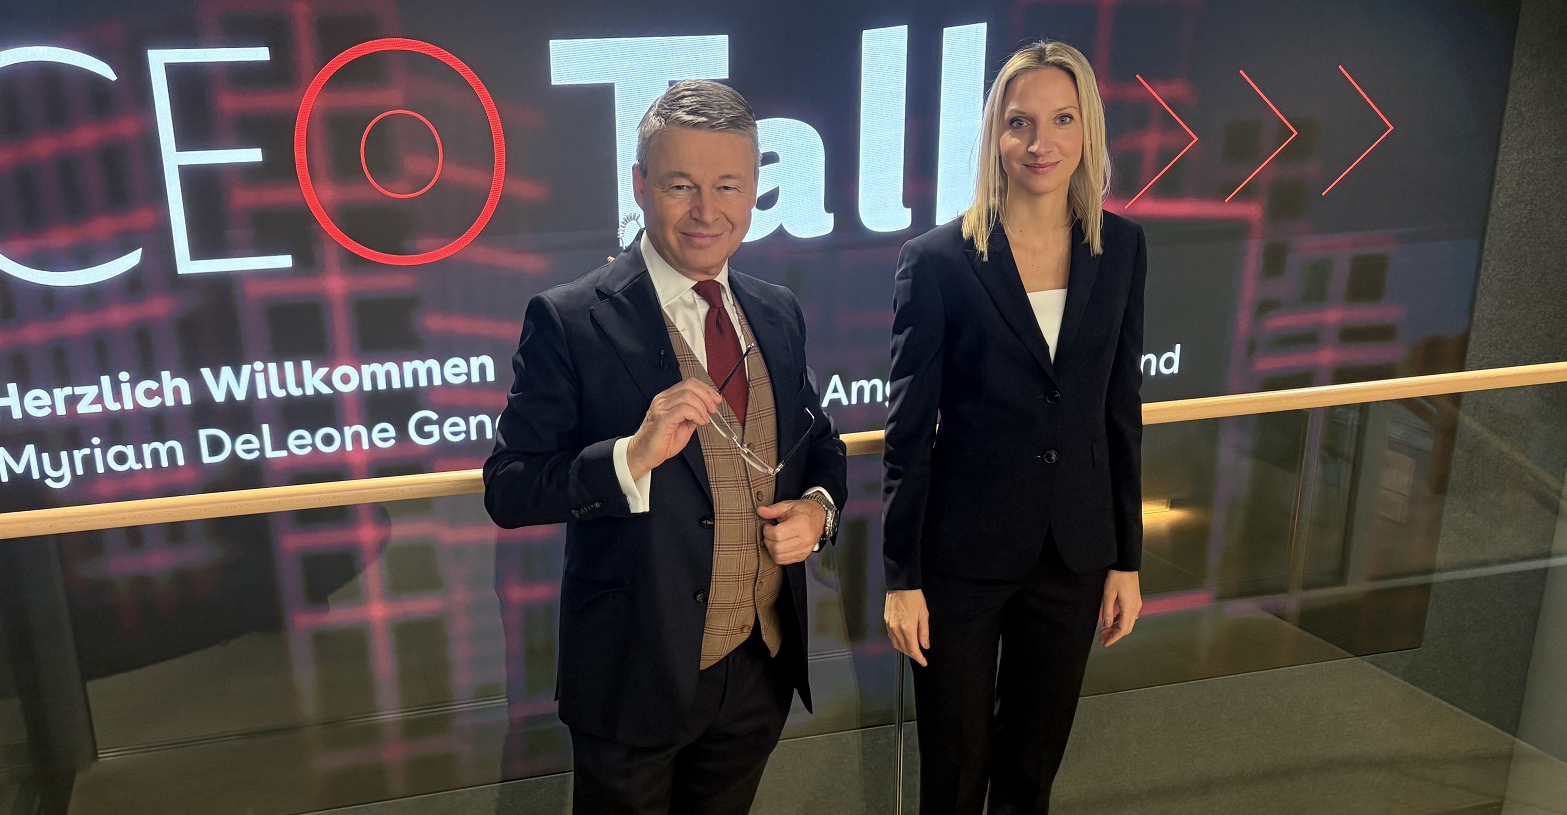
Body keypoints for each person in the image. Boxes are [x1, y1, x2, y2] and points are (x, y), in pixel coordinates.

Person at [484, 79, 848, 815]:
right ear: (640, 186)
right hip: (632, 679)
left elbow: (820, 447)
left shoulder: (777, 312)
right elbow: (510, 485)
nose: (707, 211)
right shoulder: (569, 320)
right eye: (681, 185)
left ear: (754, 192)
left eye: (728, 186)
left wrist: (818, 511)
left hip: (758, 669)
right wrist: (629, 456)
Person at [881, 40, 1147, 813]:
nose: (1041, 142)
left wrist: (1126, 559)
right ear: (995, 135)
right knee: (956, 767)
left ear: (1088, 130)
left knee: (1033, 767)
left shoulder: (1122, 248)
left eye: (1062, 119)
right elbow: (907, 432)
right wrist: (902, 578)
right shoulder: (937, 260)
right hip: (961, 559)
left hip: (1075, 552)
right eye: (1019, 122)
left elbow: (1119, 408)